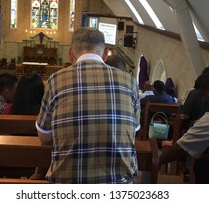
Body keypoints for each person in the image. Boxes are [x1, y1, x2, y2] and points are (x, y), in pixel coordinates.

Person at [36, 27, 140, 184]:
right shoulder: (130, 81)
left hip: (69, 183)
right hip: (119, 183)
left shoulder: (56, 80)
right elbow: (134, 129)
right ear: (105, 54)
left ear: (71, 54)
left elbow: (43, 135)